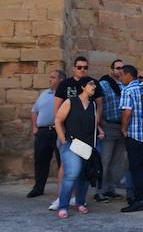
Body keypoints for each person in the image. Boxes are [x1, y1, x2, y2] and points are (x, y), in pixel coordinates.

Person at [49, 55, 105, 211]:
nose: (82, 70)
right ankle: (61, 199)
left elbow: (99, 107)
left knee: (83, 171)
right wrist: (62, 135)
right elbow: (58, 111)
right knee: (67, 169)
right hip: (69, 136)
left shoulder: (93, 89)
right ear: (74, 68)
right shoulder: (65, 85)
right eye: (79, 67)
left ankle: (78, 200)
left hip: (86, 138)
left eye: (85, 67)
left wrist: (97, 127)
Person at [119, 65, 143, 212]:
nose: (120, 78)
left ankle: (139, 201)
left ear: (128, 75)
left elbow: (127, 112)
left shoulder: (128, 90)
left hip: (134, 134)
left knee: (135, 168)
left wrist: (123, 128)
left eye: (121, 75)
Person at [28, 70, 65, 198]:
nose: (50, 80)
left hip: (59, 131)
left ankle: (64, 191)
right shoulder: (44, 94)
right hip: (43, 132)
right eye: (50, 77)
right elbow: (34, 111)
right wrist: (34, 127)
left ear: (61, 80)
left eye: (53, 77)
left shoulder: (66, 94)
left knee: (63, 161)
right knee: (40, 159)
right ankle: (38, 188)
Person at [95, 59, 127, 202]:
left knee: (116, 162)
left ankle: (110, 189)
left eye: (122, 68)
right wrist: (99, 124)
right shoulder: (103, 85)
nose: (120, 70)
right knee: (105, 160)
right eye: (117, 68)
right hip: (108, 126)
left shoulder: (126, 86)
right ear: (112, 70)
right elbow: (97, 105)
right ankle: (99, 190)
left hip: (121, 127)